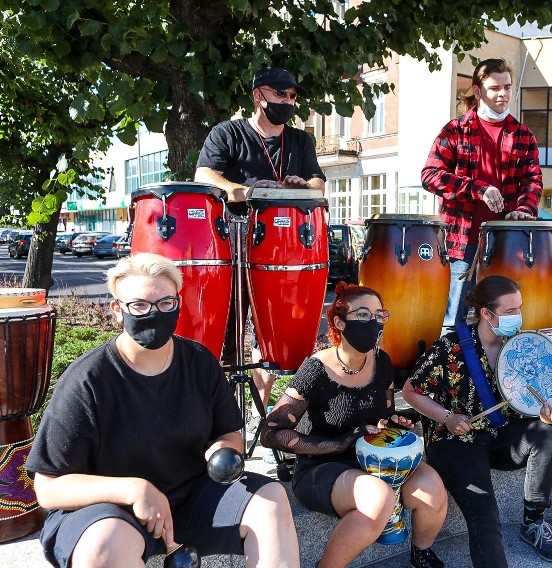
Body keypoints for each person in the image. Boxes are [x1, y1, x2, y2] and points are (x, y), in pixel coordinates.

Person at [26, 253, 299, 568]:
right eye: (140, 305)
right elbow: (47, 487)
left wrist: (223, 451)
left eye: (166, 303)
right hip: (110, 511)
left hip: (189, 498)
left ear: (178, 304)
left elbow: (227, 433)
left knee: (271, 499)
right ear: (117, 311)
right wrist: (134, 490)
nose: (154, 313)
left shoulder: (199, 362)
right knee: (104, 544)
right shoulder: (87, 380)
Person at [260, 282, 448, 568]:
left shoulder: (382, 362)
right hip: (322, 466)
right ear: (338, 321)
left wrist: (393, 423)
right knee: (378, 497)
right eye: (363, 315)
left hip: (373, 459)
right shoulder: (316, 369)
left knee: (431, 484)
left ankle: (421, 551)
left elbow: (384, 415)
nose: (373, 323)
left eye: (378, 315)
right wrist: (342, 441)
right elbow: (272, 434)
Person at [403, 275, 552, 567]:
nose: (517, 317)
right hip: (456, 441)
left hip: (501, 435)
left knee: (549, 433)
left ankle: (533, 522)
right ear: (486, 313)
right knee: (485, 514)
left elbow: (528, 400)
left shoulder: (521, 346)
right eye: (510, 311)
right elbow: (411, 392)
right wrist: (447, 416)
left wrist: (542, 410)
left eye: (519, 308)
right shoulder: (450, 347)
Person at [195, 66, 327, 432]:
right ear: (259, 96)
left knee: (272, 339)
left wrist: (303, 185)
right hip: (233, 245)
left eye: (292, 96)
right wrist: (246, 191)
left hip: (281, 254)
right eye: (280, 94)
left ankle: (258, 417)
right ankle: (219, 422)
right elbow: (204, 176)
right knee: (226, 338)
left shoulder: (301, 141)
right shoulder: (228, 133)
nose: (287, 102)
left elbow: (318, 183)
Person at [421, 58, 542, 333]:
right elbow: (430, 175)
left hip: (508, 244)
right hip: (462, 242)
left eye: (508, 87)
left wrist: (525, 208)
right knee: (454, 320)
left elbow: (532, 181)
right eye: (494, 87)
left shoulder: (523, 135)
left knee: (508, 320)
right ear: (477, 91)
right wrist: (478, 189)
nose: (503, 94)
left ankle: (499, 374)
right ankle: (452, 374)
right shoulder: (454, 130)